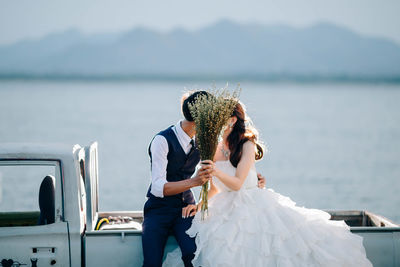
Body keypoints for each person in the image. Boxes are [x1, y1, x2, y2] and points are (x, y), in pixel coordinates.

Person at [163, 101, 372, 267]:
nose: (216, 120)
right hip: (223, 207)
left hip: (250, 204)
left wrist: (214, 169)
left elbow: (237, 184)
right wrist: (200, 204)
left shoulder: (247, 143)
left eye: (221, 116)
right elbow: (216, 187)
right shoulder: (214, 147)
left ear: (233, 120)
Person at [142, 90, 267, 267]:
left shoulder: (204, 141)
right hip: (158, 210)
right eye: (213, 116)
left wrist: (253, 180)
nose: (216, 121)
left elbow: (222, 167)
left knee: (193, 256)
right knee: (152, 261)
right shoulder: (162, 140)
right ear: (200, 119)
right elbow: (157, 187)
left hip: (186, 208)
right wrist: (194, 182)